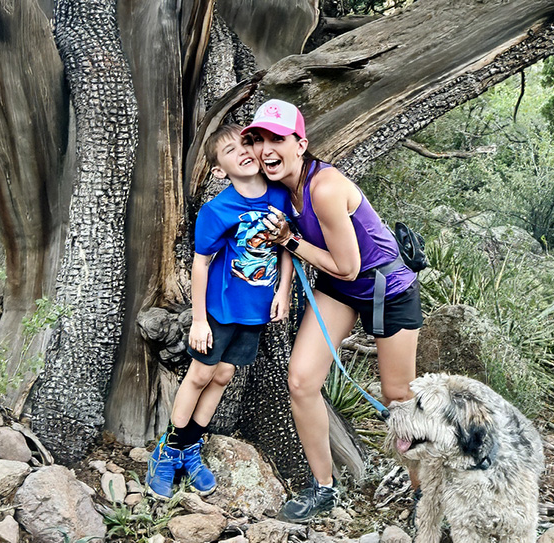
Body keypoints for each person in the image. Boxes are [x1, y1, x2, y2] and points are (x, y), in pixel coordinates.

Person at [242, 99, 423, 522]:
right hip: (340, 289)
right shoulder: (280, 189)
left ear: (300, 143)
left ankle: (424, 493)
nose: (267, 148)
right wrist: (284, 284)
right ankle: (324, 487)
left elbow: (348, 265)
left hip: (386, 288)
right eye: (259, 139)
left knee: (399, 397)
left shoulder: (323, 189)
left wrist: (289, 241)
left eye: (277, 139)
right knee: (302, 381)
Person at [146, 123, 294, 500]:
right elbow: (200, 263)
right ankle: (168, 451)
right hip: (220, 307)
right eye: (230, 151)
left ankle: (189, 449)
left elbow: (289, 246)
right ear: (218, 170)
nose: (243, 151)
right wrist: (198, 319)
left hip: (256, 309)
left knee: (225, 374)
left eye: (246, 143)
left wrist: (284, 290)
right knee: (200, 374)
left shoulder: (280, 195)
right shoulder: (218, 209)